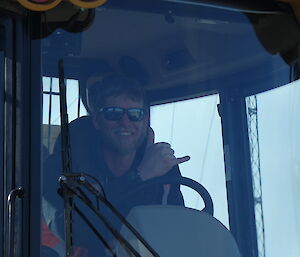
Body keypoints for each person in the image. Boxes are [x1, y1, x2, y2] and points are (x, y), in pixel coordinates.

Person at [42, 73, 190, 256]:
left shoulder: (164, 168)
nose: (125, 122)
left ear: (145, 122)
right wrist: (140, 176)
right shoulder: (65, 165)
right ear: (97, 121)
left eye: (135, 114)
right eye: (114, 113)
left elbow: (177, 229)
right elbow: (71, 229)